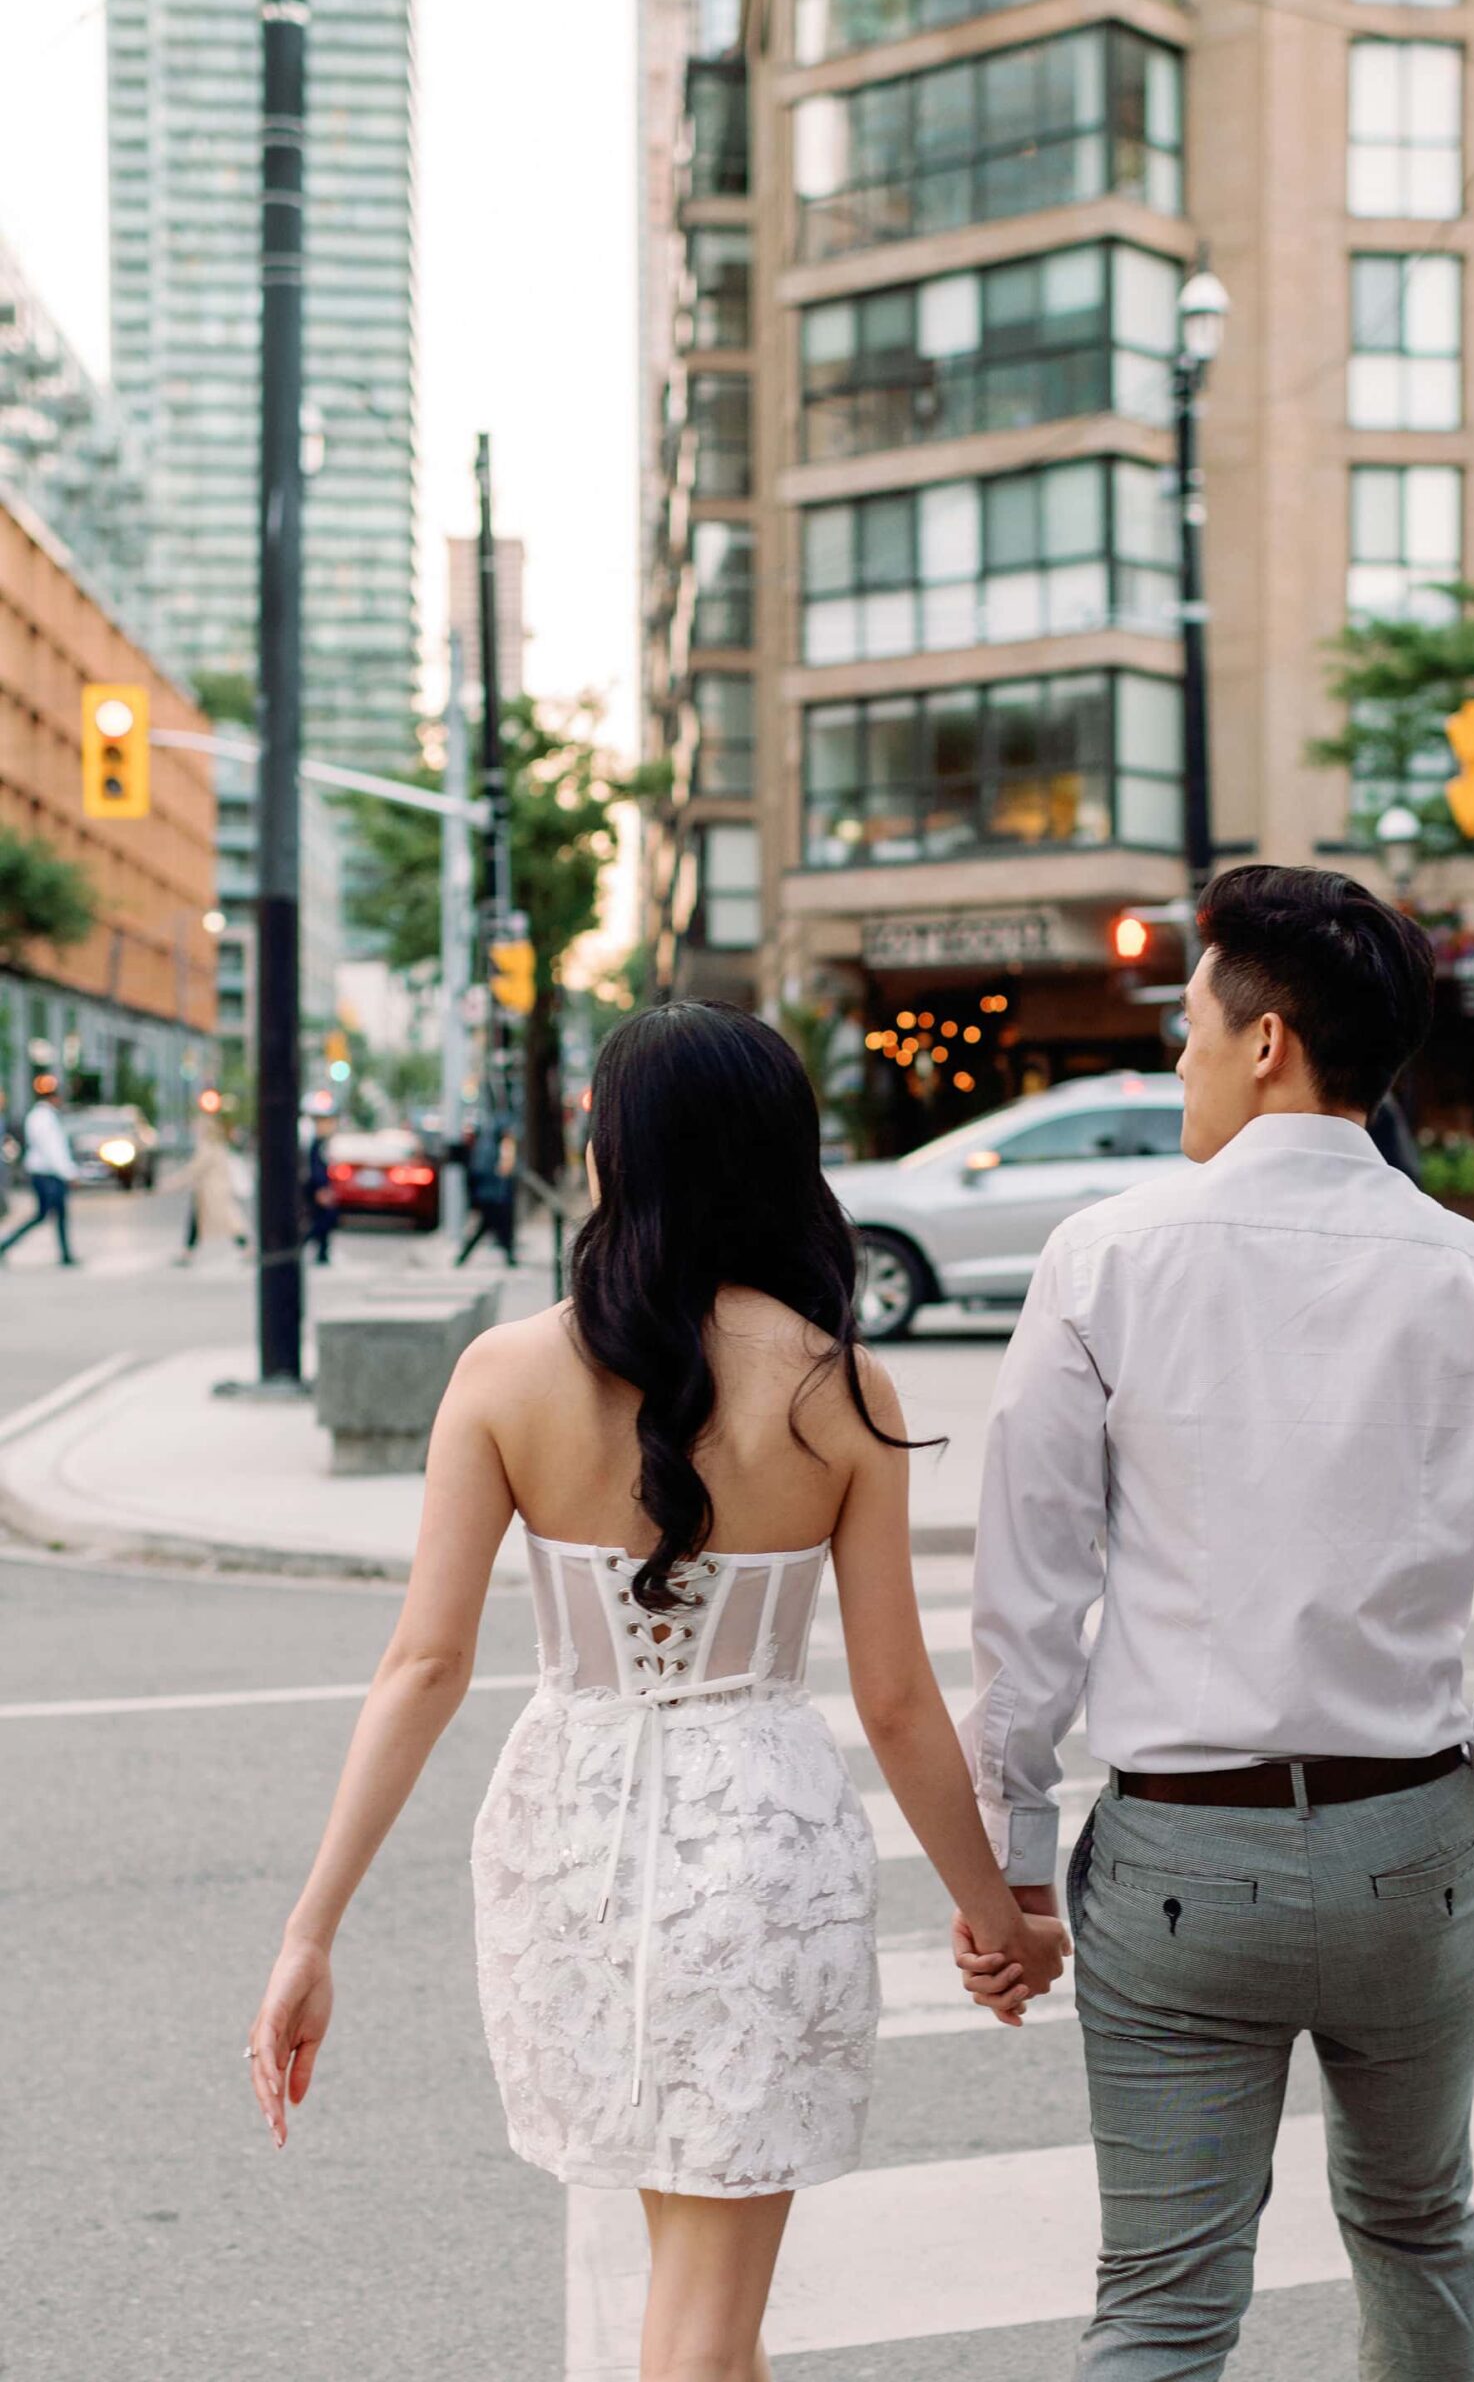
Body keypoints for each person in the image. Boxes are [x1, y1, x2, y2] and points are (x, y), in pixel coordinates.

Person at [245, 1001, 1067, 2379]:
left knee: (699, 2304)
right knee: (702, 2321)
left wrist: (308, 1931)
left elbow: (424, 1666)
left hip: (565, 1839)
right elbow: (896, 1702)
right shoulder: (832, 1386)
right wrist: (995, 1919)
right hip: (753, 1850)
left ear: (607, 1154)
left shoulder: (503, 1374)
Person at [954, 864, 1474, 2382]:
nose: (1176, 1059)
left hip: (1182, 1855)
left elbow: (1028, 1601)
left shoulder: (1103, 1257)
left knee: (1163, 2309)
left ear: (1265, 1042)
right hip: (1413, 1849)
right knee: (1417, 2229)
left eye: (1188, 1026)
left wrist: (1010, 1865)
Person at [0, 1077, 80, 1269]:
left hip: (45, 1172)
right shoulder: (45, 1118)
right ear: (53, 1098)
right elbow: (53, 1149)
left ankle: (66, 1254)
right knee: (44, 1215)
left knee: (56, 1214)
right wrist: (68, 1173)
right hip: (48, 1174)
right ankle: (4, 1245)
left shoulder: (41, 1116)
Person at [171, 1108, 248, 1262]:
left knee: (228, 1221)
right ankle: (187, 1252)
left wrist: (173, 1182)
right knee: (199, 1221)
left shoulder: (208, 1146)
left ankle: (246, 1248)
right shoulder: (217, 1145)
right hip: (211, 1191)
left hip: (213, 1192)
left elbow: (195, 1168)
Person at [455, 1111, 518, 1267]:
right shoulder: (488, 1147)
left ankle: (464, 1257)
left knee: (490, 1228)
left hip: (492, 1195)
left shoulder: (495, 1145)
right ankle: (508, 1256)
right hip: (491, 1196)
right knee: (494, 1227)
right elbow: (482, 1172)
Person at [302, 1115, 338, 1266]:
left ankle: (322, 1252)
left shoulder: (322, 1143)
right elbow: (316, 1169)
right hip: (317, 1188)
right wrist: (321, 1188)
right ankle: (302, 1243)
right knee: (323, 1219)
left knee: (324, 1219)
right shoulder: (316, 1144)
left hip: (320, 1187)